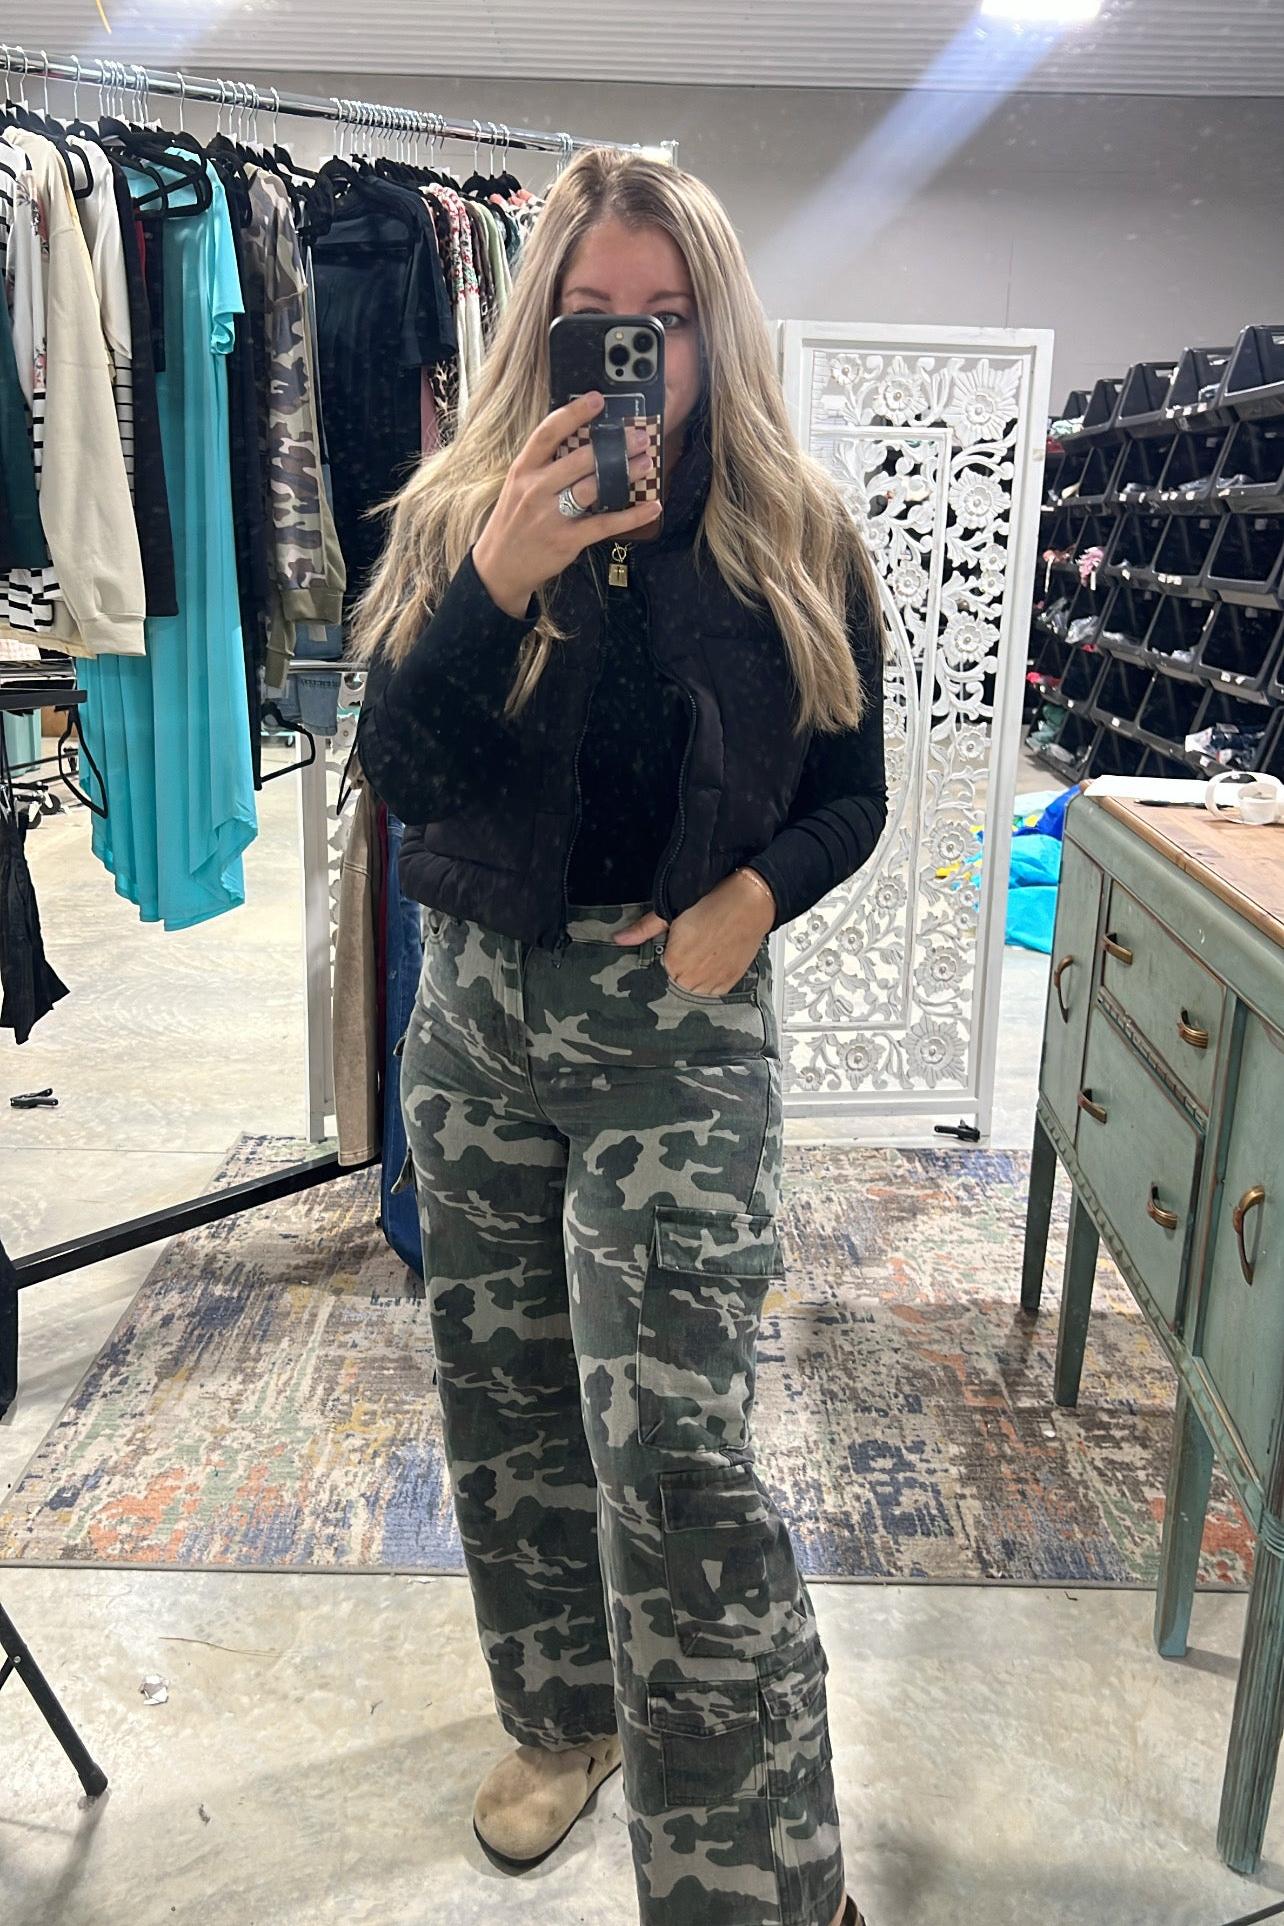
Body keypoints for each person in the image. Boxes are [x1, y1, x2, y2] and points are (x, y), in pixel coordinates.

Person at [353, 147, 886, 1926]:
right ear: (544, 324)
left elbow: (858, 792)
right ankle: (562, 1720)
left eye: (665, 319)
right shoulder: (459, 511)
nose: (630, 351)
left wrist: (757, 897)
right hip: (476, 1024)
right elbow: (399, 772)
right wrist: (496, 578)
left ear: (715, 331)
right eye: (594, 316)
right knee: (502, 1409)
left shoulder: (796, 532)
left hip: (678, 1032)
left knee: (675, 1460)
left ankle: (765, 1881)